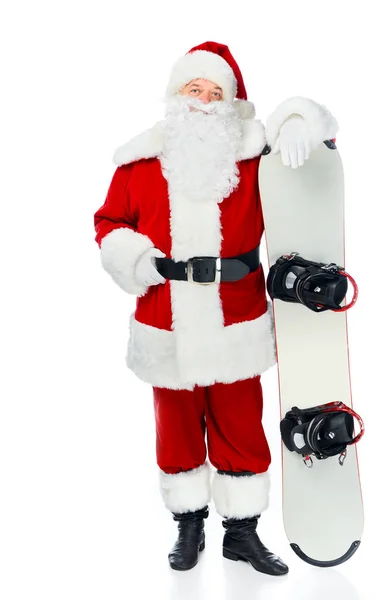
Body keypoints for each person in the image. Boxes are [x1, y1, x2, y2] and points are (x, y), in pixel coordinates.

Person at [94, 41, 338, 575]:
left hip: (236, 315)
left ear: (232, 102)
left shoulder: (254, 154)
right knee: (176, 427)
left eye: (215, 92)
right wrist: (137, 260)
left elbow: (311, 134)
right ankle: (188, 527)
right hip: (167, 316)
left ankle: (242, 535)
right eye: (194, 90)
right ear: (177, 95)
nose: (204, 101)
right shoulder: (139, 162)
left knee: (239, 425)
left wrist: (301, 121)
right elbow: (109, 224)